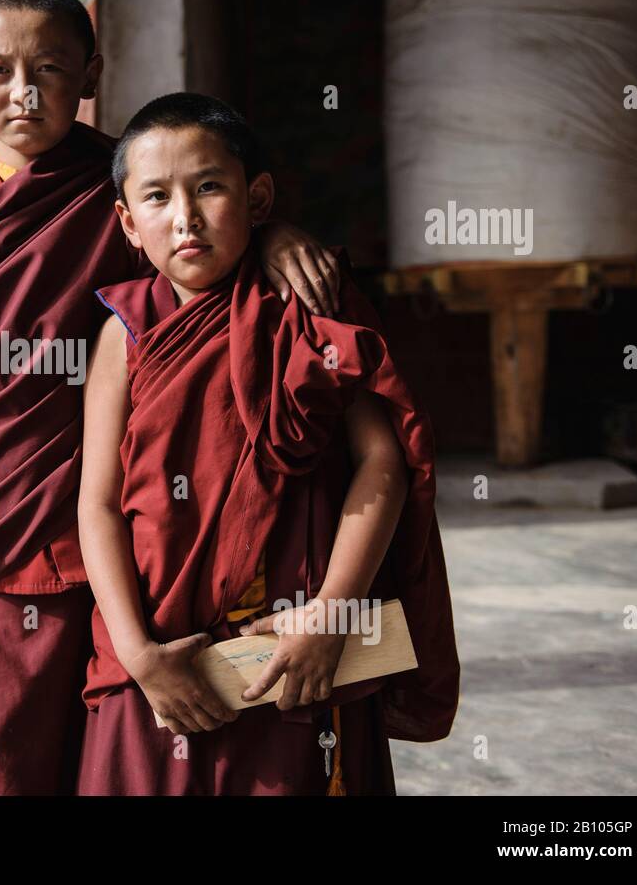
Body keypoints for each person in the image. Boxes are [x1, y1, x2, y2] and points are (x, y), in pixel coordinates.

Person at [0, 0, 344, 795]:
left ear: (90, 75)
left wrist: (275, 234)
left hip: (73, 551)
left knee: (54, 756)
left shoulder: (118, 196)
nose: (24, 92)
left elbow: (200, 244)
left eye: (50, 69)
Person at [75, 93, 459, 795]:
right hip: (160, 647)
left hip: (296, 636)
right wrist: (138, 654)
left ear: (257, 199)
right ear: (129, 224)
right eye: (157, 198)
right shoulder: (123, 333)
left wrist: (333, 613)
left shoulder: (308, 307)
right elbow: (97, 504)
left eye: (209, 187)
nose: (185, 218)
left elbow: (384, 460)